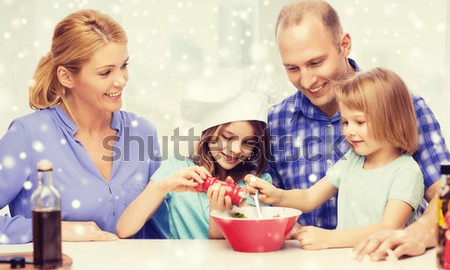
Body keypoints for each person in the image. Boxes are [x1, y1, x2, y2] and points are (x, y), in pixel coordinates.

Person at [270, 0, 450, 255]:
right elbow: (275, 208)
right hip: (307, 269)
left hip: (384, 264)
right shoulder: (276, 121)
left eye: (316, 63)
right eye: (292, 68)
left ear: (344, 45)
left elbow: (446, 193)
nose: (307, 80)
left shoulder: (403, 107)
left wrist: (419, 233)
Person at [0, 9, 167, 244]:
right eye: (105, 72)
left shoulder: (142, 132)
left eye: (124, 66)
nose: (121, 80)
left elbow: (164, 224)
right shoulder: (28, 136)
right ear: (67, 77)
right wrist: (55, 230)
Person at [246, 67, 424, 249]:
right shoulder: (353, 159)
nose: (348, 131)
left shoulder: (406, 172)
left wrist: (330, 239)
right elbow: (309, 198)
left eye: (359, 122)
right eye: (345, 122)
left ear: (392, 120)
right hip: (346, 262)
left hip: (384, 264)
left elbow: (388, 228)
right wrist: (278, 196)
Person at [116, 69, 275, 239]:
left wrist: (219, 214)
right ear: (209, 132)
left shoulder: (257, 182)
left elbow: (236, 249)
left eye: (248, 142)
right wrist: (162, 187)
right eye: (227, 137)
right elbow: (125, 229)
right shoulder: (175, 169)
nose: (236, 149)